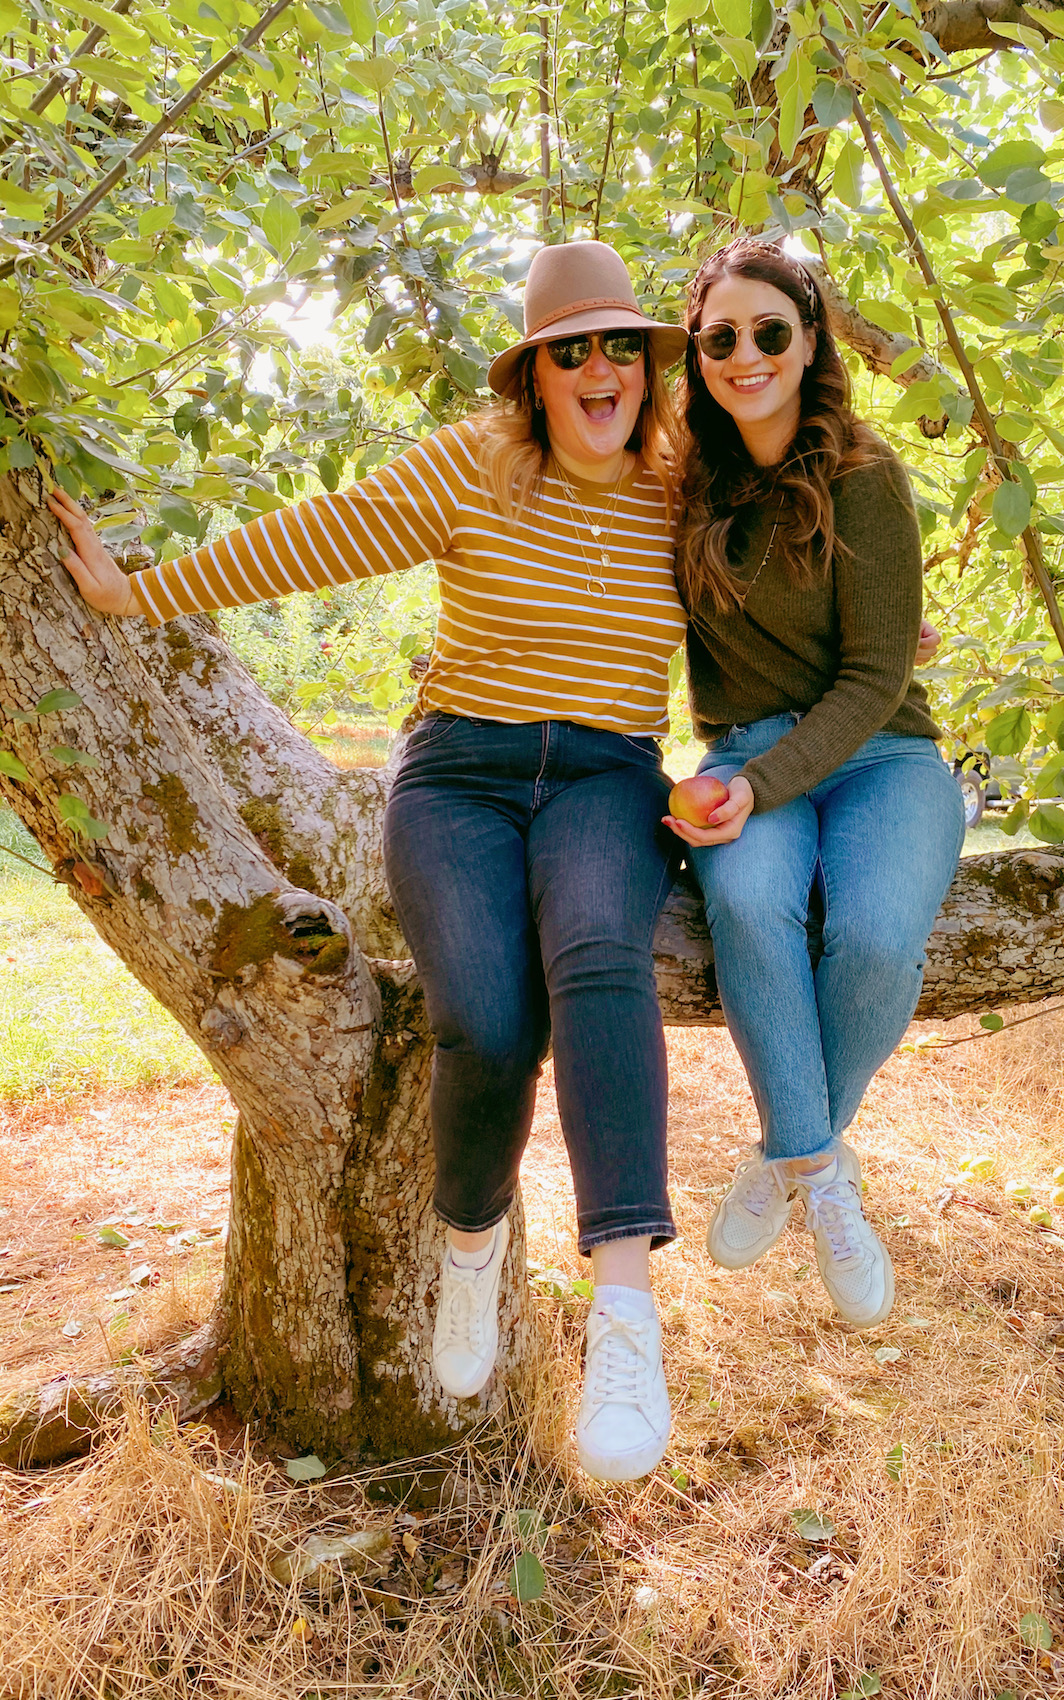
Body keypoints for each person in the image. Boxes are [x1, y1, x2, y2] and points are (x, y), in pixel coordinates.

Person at [47, 240, 690, 1484]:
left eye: (621, 345)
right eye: (572, 350)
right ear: (535, 377)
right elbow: (315, 538)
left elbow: (775, 585)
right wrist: (138, 596)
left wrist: (872, 641)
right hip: (458, 773)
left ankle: (625, 1317)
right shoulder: (474, 465)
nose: (600, 368)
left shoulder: (684, 490)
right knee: (488, 1019)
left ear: (647, 369)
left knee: (602, 958)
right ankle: (469, 1244)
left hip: (610, 778)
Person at [663, 237, 965, 1328]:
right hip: (742, 748)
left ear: (809, 343)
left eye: (769, 332)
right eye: (720, 337)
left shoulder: (866, 475)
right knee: (747, 901)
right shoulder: (678, 484)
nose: (746, 353)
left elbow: (880, 672)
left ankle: (787, 1152)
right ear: (697, 356)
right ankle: (821, 1168)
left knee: (879, 938)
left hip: (885, 750)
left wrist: (768, 779)